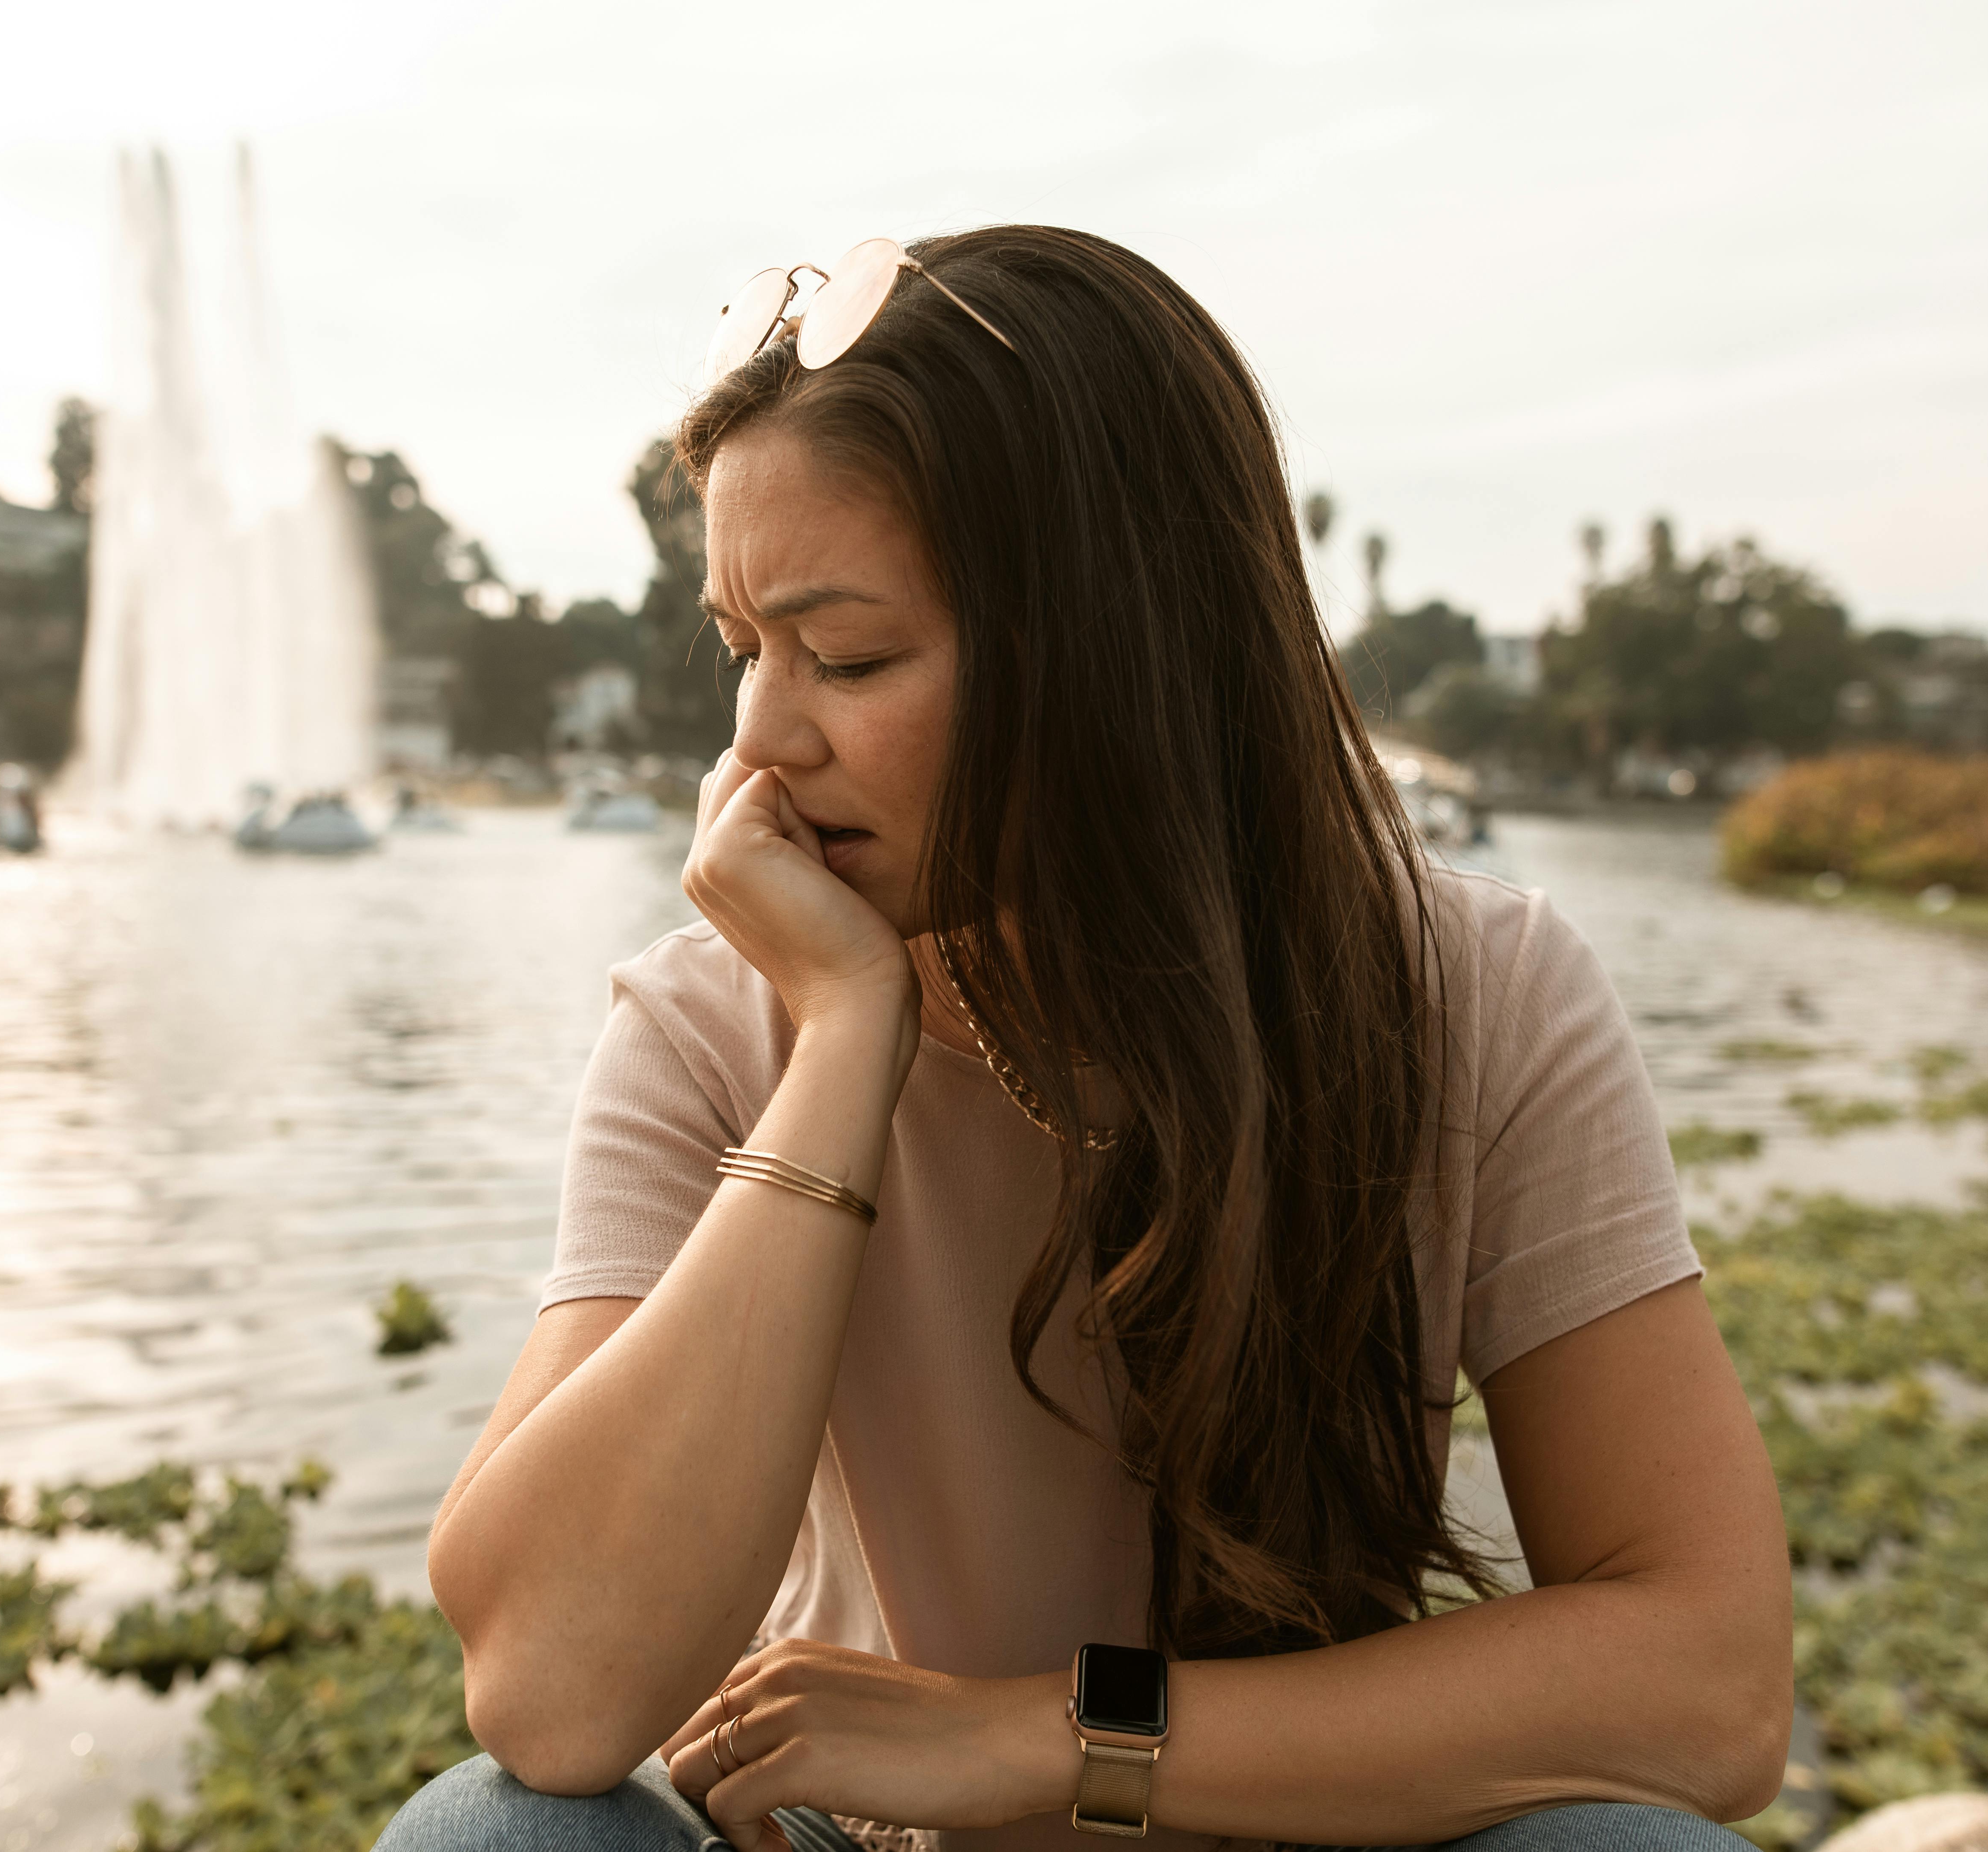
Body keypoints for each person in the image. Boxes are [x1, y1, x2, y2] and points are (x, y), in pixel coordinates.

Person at [382, 226, 1791, 1852]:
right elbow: (552, 1694)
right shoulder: (712, 1023)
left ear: (1116, 650)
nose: (757, 743)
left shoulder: (1470, 990)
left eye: (846, 655)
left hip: (1284, 1823)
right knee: (504, 1837)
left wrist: (1045, 1737)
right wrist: (846, 1043)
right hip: (862, 1839)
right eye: (742, 649)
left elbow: (1710, 1683)